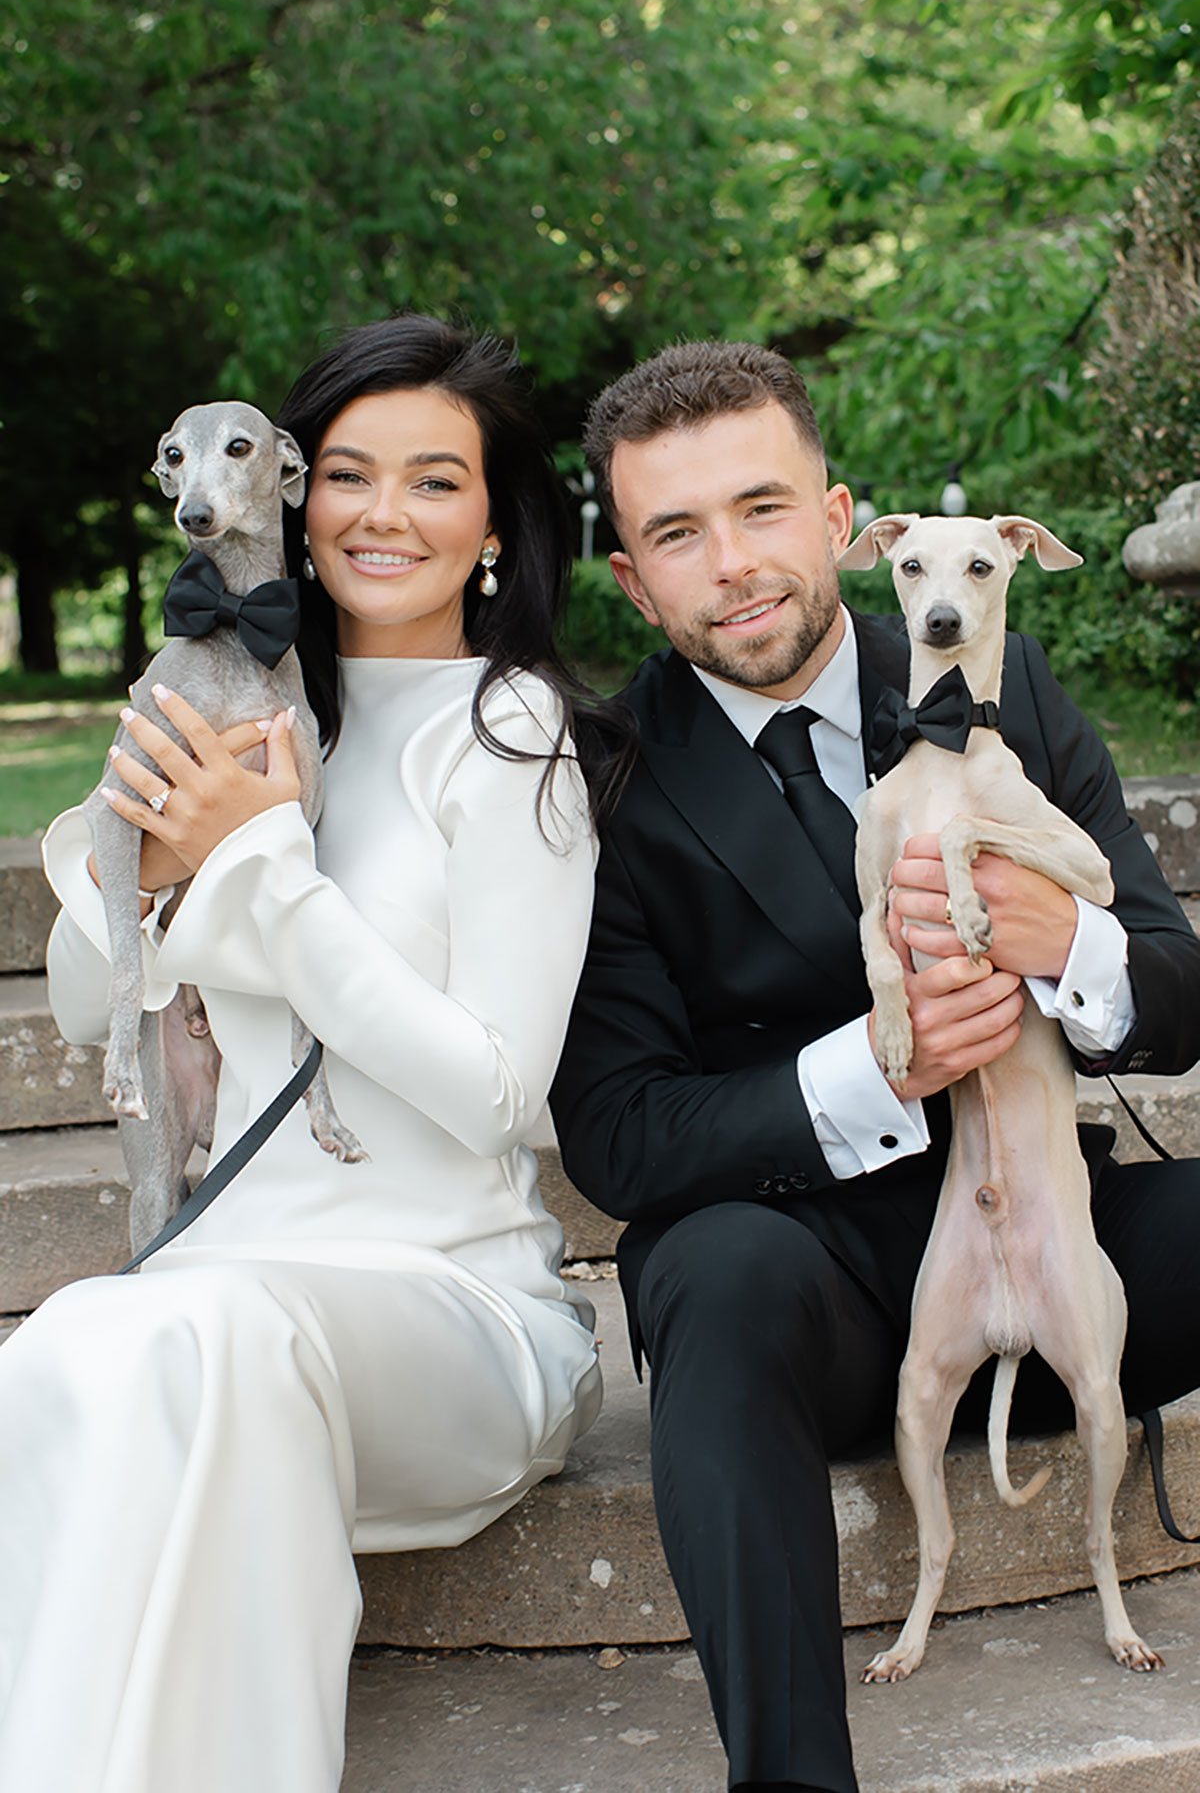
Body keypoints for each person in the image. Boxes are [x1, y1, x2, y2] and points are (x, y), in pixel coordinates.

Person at [550, 339, 1200, 1793]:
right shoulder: (601, 777)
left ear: (843, 519)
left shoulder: (1006, 678)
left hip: (1061, 1245)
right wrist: (873, 1072)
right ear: (632, 584)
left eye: (763, 508)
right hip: (816, 1302)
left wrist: (1066, 939)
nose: (733, 563)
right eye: (676, 534)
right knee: (709, 1276)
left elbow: (1175, 984)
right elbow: (616, 1134)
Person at [0, 314, 627, 1793]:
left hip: (447, 1304)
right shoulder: (243, 703)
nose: (380, 513)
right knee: (81, 1342)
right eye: (350, 473)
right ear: (293, 490)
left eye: (433, 481)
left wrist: (262, 867)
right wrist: (145, 870)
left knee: (192, 1336)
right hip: (219, 1295)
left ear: (489, 524)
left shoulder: (513, 730)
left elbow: (501, 1092)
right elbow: (98, 1010)